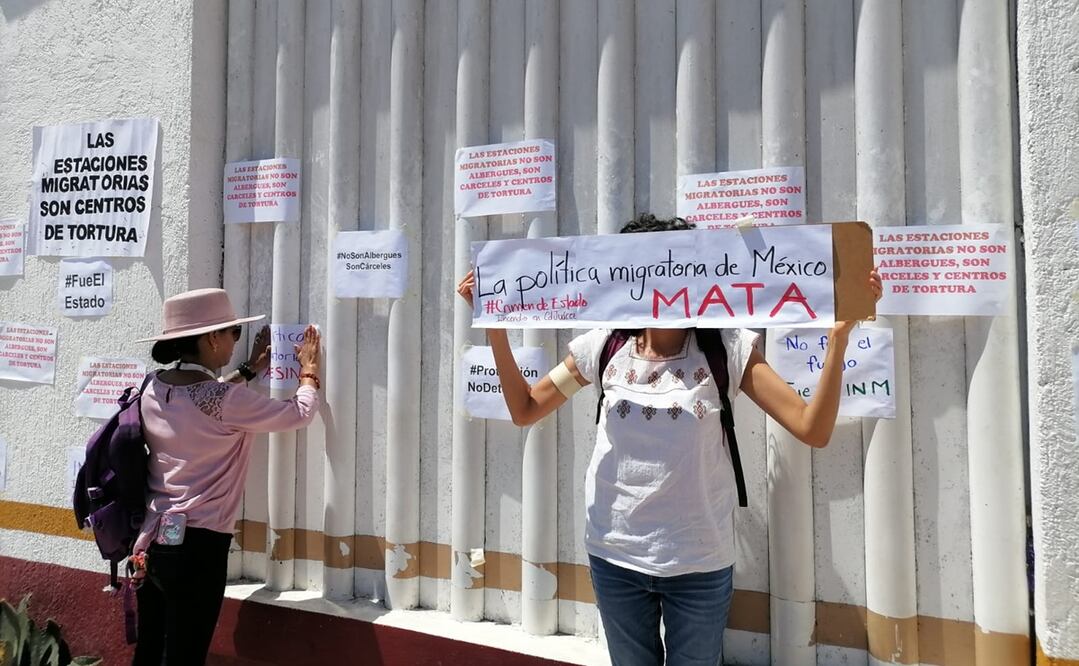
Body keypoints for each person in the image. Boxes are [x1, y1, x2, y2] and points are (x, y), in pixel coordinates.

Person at [456, 215, 882, 666]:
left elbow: (811, 428)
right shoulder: (603, 345)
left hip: (699, 563)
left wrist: (839, 340)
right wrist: (495, 328)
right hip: (614, 556)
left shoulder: (726, 348)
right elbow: (525, 409)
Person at [130, 288, 321, 665]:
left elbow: (200, 403)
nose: (236, 339)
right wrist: (309, 371)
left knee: (150, 651)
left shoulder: (152, 387)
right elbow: (299, 414)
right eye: (233, 331)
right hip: (198, 547)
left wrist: (247, 370)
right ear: (211, 338)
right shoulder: (225, 401)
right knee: (185, 655)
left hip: (151, 541)